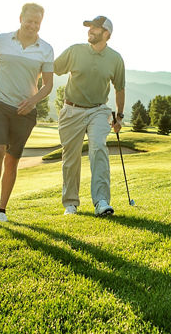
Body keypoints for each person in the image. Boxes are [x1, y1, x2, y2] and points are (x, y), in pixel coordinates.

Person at [0, 3, 54, 226]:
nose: (32, 25)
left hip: (25, 111)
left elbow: (48, 85)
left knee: (12, 160)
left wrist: (33, 101)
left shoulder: (46, 48)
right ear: (21, 18)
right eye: (29, 20)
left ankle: (3, 209)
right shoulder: (2, 40)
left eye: (37, 22)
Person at [54, 15, 125, 217]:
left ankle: (101, 201)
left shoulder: (115, 58)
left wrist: (119, 117)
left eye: (95, 28)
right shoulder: (75, 51)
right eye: (90, 27)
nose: (90, 31)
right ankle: (70, 204)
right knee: (70, 157)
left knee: (98, 148)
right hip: (71, 110)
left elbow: (119, 88)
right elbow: (52, 68)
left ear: (106, 34)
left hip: (98, 110)